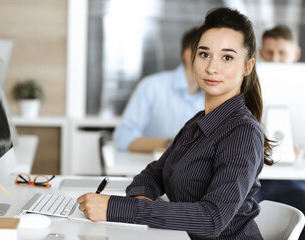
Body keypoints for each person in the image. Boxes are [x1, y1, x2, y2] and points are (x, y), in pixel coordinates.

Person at [77, 7, 275, 239]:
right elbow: (153, 175)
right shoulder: (199, 122)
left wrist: (119, 209)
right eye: (204, 54)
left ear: (248, 66)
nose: (212, 67)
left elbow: (212, 219)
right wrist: (141, 206)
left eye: (227, 57)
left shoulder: (242, 131)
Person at [256, 25, 305, 240]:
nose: (275, 59)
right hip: (251, 179)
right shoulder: (247, 87)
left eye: (282, 53)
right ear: (260, 53)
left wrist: (300, 147)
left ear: (295, 54)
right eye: (269, 52)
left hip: (290, 181)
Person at [113, 27, 205, 152]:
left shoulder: (215, 96)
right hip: (153, 168)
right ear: (188, 55)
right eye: (205, 54)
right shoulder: (152, 87)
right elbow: (123, 137)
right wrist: (171, 145)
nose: (213, 62)